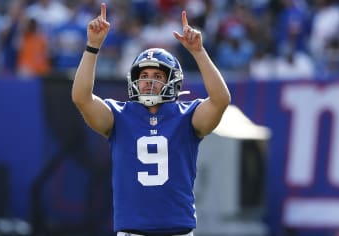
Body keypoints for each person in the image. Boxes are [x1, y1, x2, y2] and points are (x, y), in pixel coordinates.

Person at [71, 3, 231, 235]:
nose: (149, 81)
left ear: (173, 81)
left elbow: (220, 100)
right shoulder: (120, 115)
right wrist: (92, 47)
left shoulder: (187, 116)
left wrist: (198, 52)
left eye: (157, 75)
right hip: (133, 231)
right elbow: (81, 98)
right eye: (143, 75)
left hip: (178, 231)